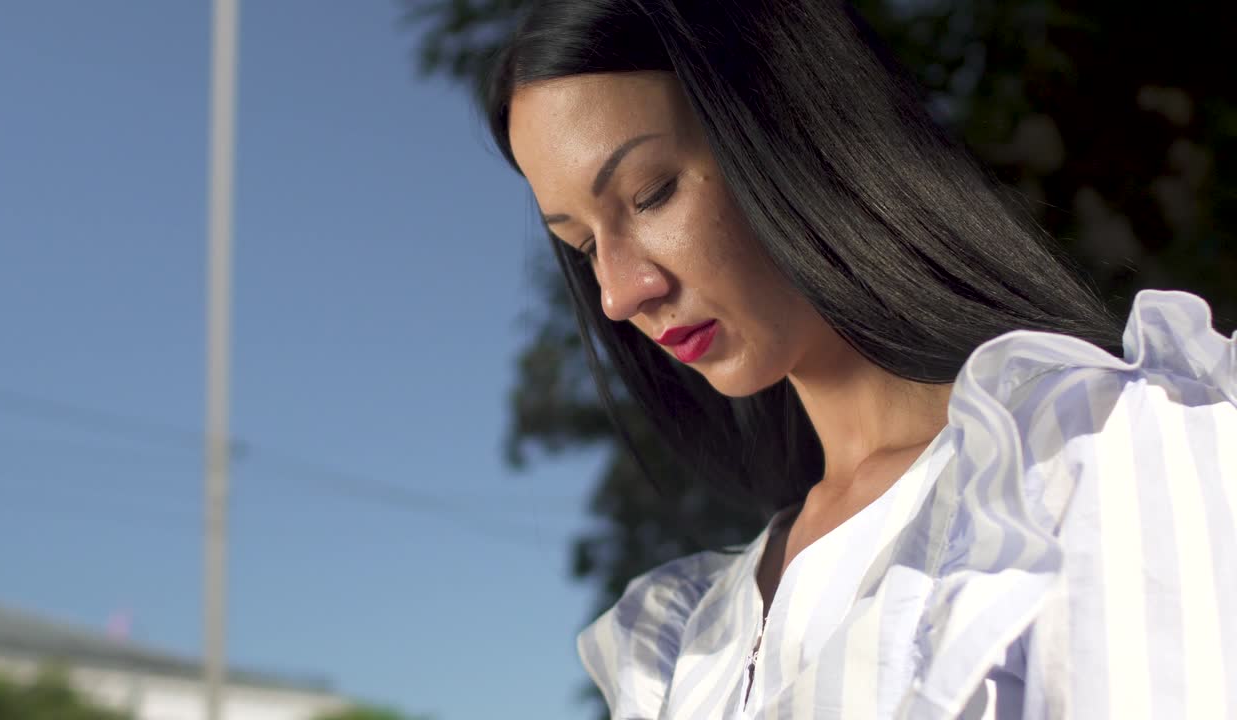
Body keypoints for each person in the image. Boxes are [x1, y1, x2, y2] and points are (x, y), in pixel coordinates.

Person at [480, 1, 1237, 717]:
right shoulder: (676, 644)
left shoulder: (1102, 459)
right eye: (582, 246)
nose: (618, 292)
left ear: (793, 127)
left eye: (651, 195)